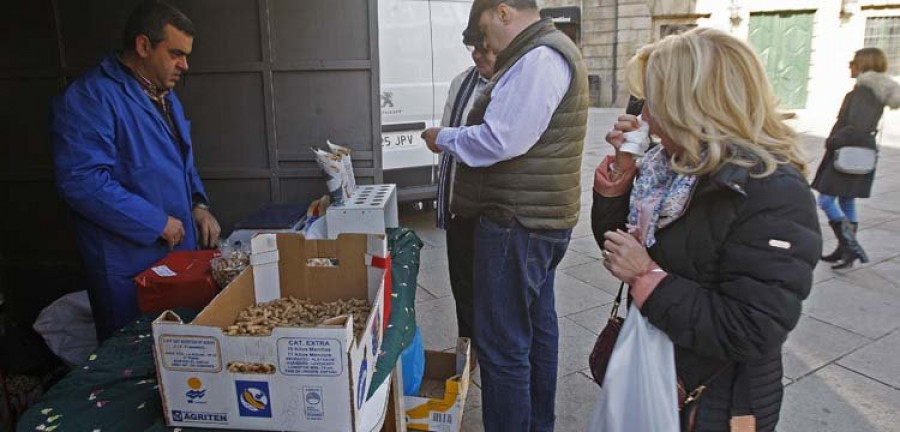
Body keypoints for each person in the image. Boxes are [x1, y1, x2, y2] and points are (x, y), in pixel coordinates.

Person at [591, 28, 821, 431]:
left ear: (692, 104)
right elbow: (620, 249)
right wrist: (620, 186)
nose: (643, 117)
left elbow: (753, 327)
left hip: (711, 405)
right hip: (657, 374)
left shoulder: (772, 191)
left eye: (654, 102)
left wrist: (647, 277)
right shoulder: (669, 168)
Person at [421, 0, 588, 429]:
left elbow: (500, 139)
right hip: (534, 218)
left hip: (518, 222)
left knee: (502, 346)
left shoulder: (539, 57)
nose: (483, 42)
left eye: (484, 30)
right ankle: (536, 424)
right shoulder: (541, 52)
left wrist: (444, 137)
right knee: (534, 331)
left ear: (503, 12)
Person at [52, 0, 220, 341]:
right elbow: (82, 181)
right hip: (129, 263)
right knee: (131, 360)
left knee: (180, 355)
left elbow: (180, 159)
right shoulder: (90, 98)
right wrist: (154, 221)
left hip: (178, 254)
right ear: (143, 46)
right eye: (175, 53)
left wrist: (198, 206)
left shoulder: (164, 95)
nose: (184, 65)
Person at [436, 27, 496, 358]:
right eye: (474, 47)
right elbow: (447, 137)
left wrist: (456, 140)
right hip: (460, 201)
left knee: (495, 289)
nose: (477, 54)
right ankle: (469, 348)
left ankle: (494, 351)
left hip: (495, 206)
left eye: (485, 48)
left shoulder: (515, 84)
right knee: (463, 283)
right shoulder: (461, 83)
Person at [812, 47, 900, 269]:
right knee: (846, 199)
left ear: (863, 65)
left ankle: (849, 246)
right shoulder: (871, 92)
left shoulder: (862, 92)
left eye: (853, 62)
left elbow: (857, 126)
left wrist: (834, 141)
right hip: (859, 151)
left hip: (848, 151)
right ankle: (845, 250)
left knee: (825, 200)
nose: (849, 65)